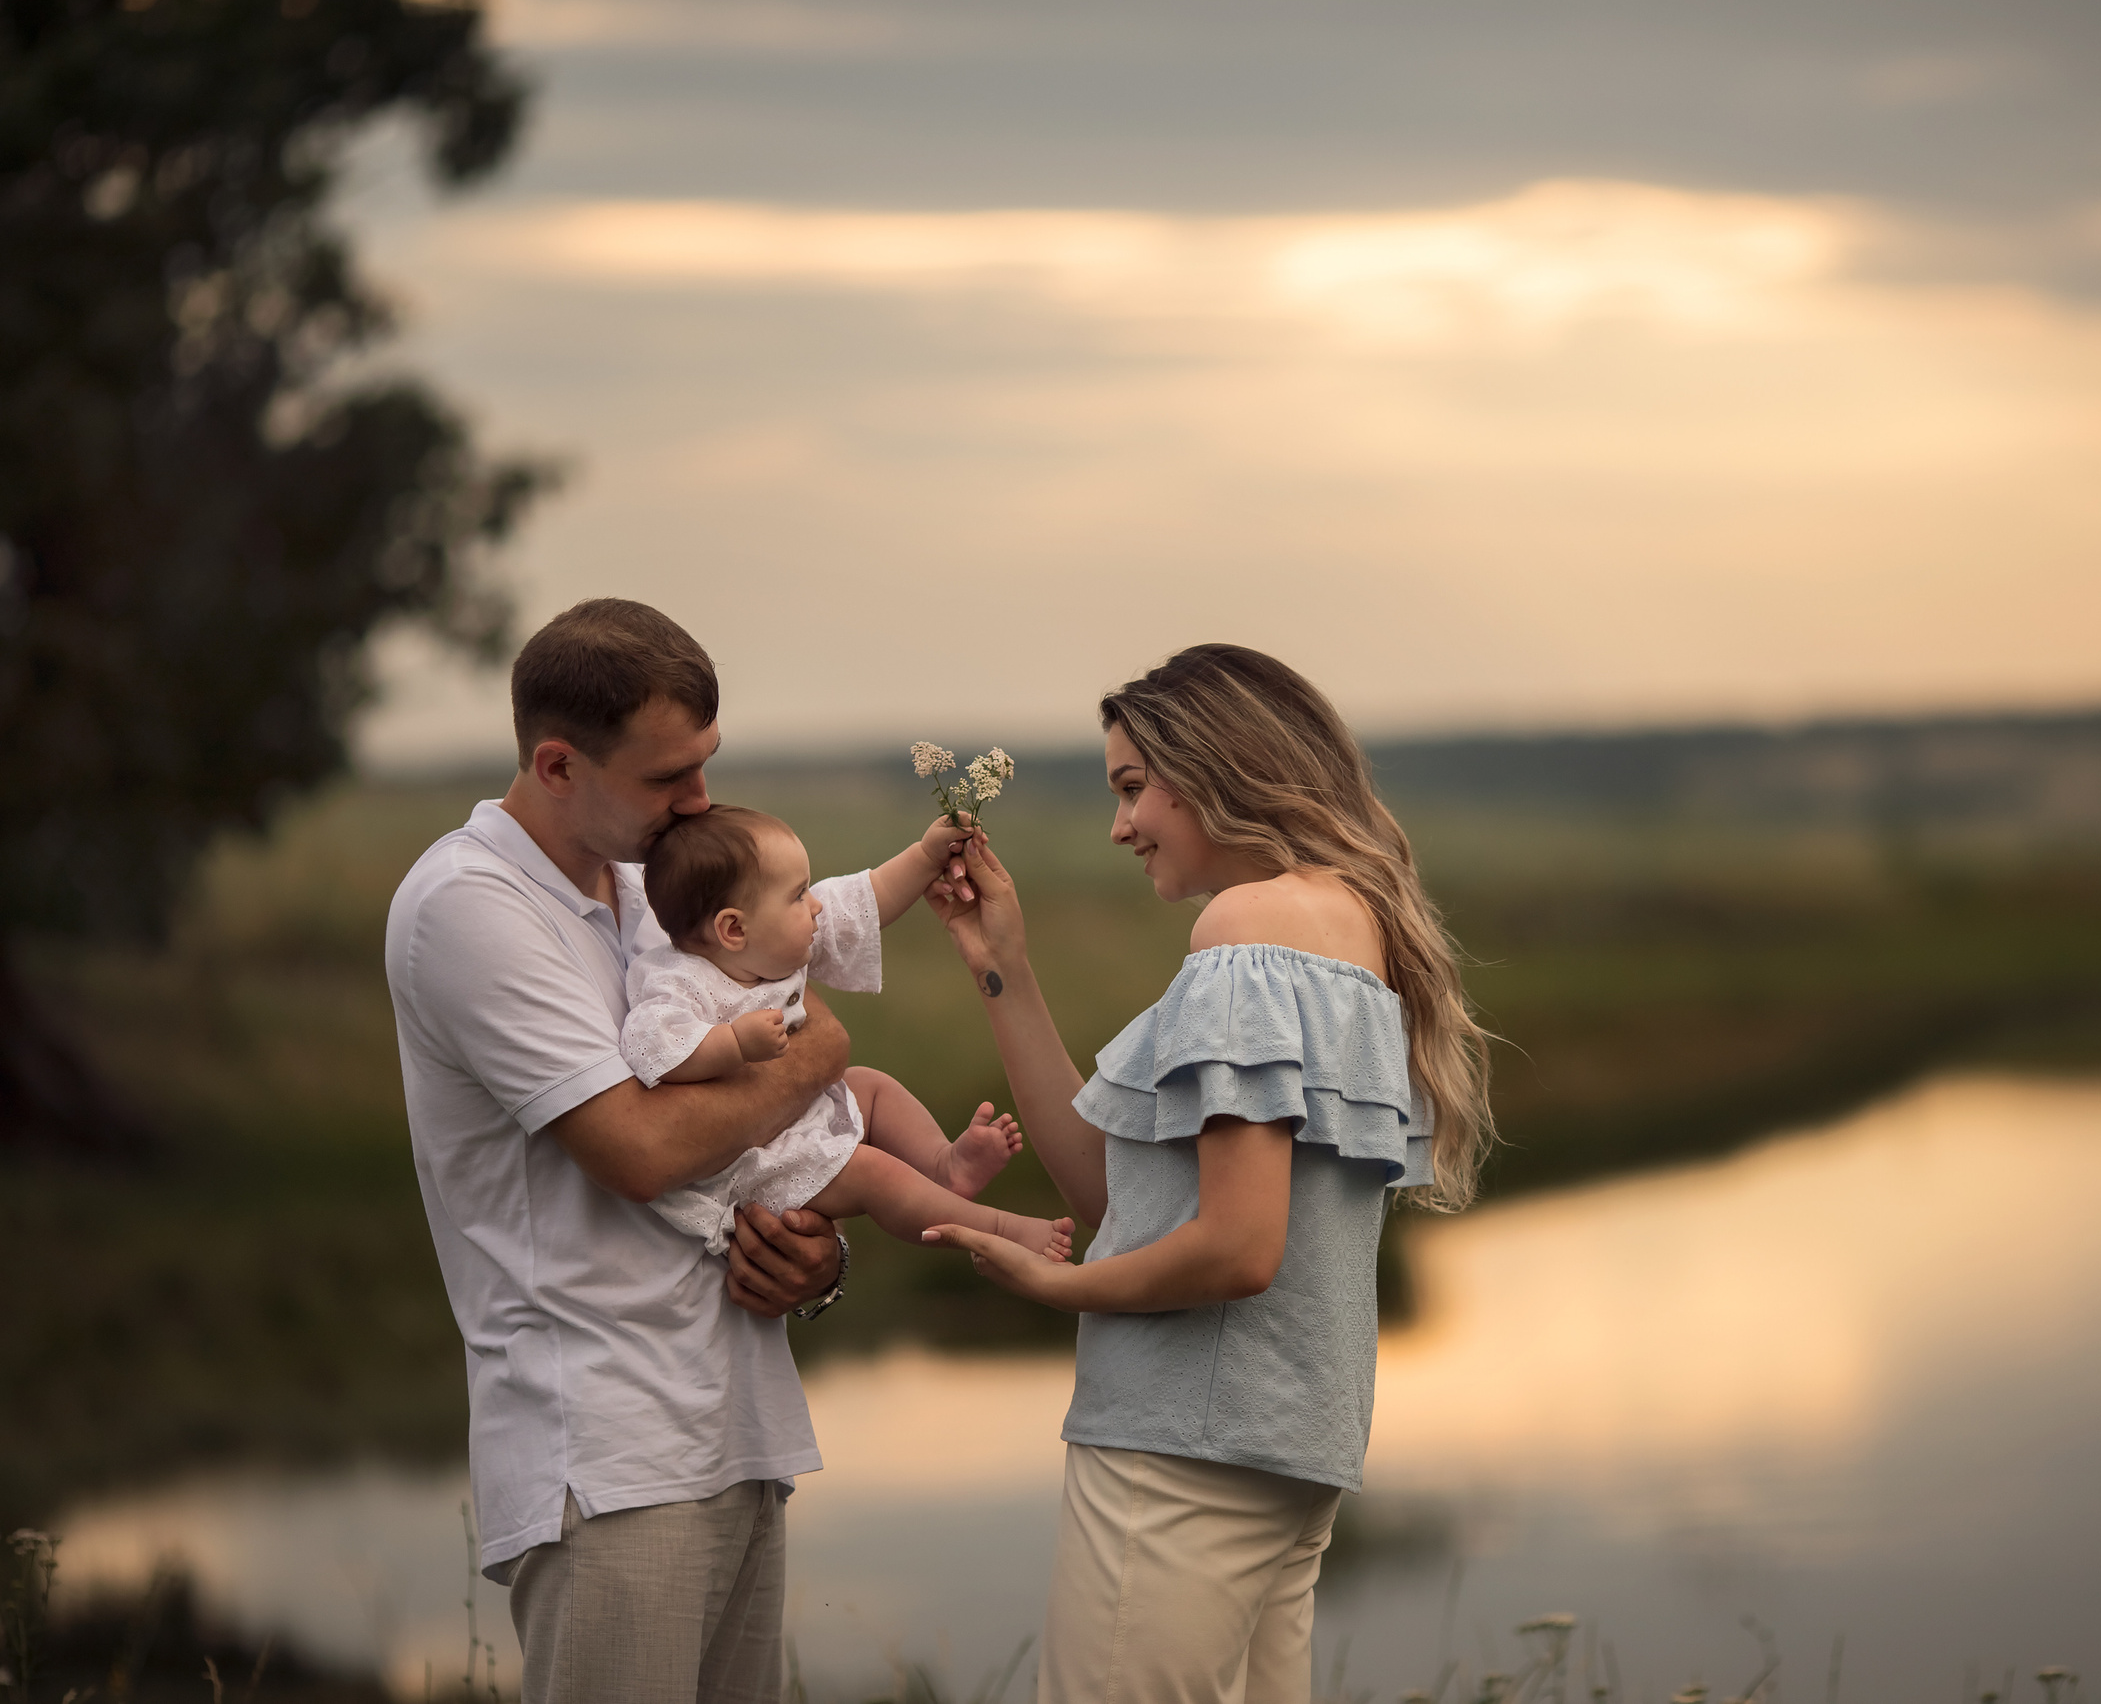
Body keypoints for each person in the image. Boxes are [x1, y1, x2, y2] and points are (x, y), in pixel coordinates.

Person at [920, 643, 1495, 1704]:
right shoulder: (1343, 927)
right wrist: (1000, 964)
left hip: (1176, 1449)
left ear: (1217, 767)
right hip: (1281, 1454)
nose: (1120, 823)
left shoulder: (1244, 930)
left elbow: (1235, 1248)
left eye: (1133, 787)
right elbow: (1118, 1202)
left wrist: (1058, 1287)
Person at [384, 599, 853, 1704]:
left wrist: (818, 1262)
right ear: (555, 763)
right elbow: (641, 1151)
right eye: (665, 780)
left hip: (737, 1424)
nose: (699, 803)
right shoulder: (468, 907)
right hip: (602, 1451)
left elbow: (764, 1121)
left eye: (706, 766)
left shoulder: (656, 888)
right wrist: (811, 1058)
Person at [624, 802, 1073, 1262]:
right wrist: (734, 1043)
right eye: (798, 895)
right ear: (733, 928)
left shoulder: (770, 942)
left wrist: (925, 856)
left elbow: (865, 901)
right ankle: (997, 1232)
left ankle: (945, 1165)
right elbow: (655, 1048)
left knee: (872, 1086)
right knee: (874, 1173)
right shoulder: (676, 981)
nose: (815, 905)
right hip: (751, 1161)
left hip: (793, 1118)